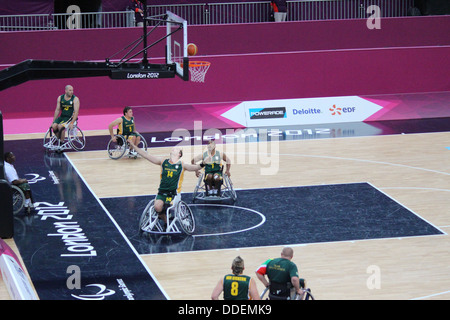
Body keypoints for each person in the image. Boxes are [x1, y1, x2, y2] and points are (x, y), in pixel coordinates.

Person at [129, 140, 205, 224]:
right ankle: (166, 222)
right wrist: (133, 145)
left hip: (174, 194)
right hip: (162, 192)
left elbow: (196, 167)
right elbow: (146, 155)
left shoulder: (182, 165)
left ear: (179, 154)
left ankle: (167, 215)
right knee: (157, 207)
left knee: (165, 206)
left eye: (176, 149)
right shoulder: (163, 162)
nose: (173, 149)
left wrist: (204, 163)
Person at [51, 85, 80, 149]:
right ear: (66, 91)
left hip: (70, 118)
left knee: (60, 126)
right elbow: (57, 110)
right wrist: (53, 121)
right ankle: (59, 139)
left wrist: (72, 122)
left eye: (72, 90)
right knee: (54, 126)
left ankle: (61, 142)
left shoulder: (75, 99)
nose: (72, 92)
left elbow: (76, 112)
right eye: (70, 90)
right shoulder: (60, 98)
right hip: (62, 117)